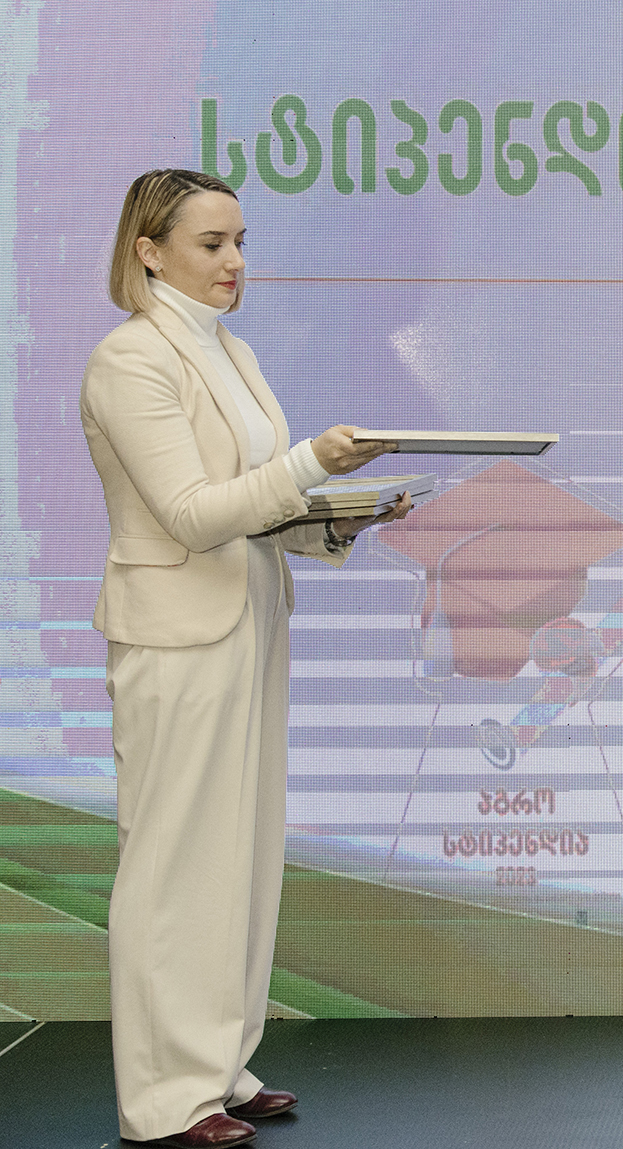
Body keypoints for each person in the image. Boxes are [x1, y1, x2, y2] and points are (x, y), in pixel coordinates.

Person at [81, 169, 411, 1148]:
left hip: (251, 619)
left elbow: (255, 508)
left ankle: (218, 1066)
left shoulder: (231, 351)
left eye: (240, 242)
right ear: (149, 251)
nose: (234, 262)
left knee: (241, 857)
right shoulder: (130, 359)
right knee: (173, 866)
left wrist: (340, 515)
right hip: (175, 635)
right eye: (211, 244)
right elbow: (191, 515)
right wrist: (311, 464)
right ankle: (163, 1101)